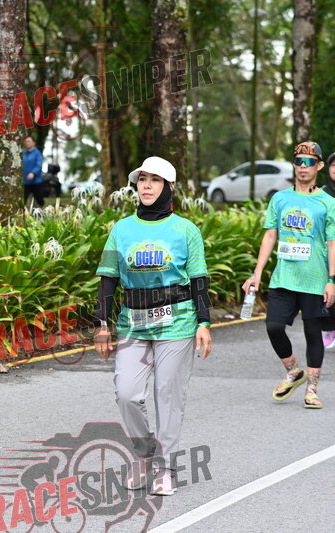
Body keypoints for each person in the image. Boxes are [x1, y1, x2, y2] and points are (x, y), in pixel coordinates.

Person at [94, 156, 212, 496]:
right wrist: (102, 324)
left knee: (167, 394)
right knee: (127, 394)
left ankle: (166, 467)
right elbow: (108, 278)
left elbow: (199, 280)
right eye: (142, 179)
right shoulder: (121, 229)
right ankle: (145, 455)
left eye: (155, 180)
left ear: (169, 187)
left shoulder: (185, 230)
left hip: (177, 321)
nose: (146, 186)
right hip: (133, 322)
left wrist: (204, 322)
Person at [243, 142, 335, 409]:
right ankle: (293, 370)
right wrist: (257, 273)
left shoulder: (328, 203)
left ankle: (312, 388)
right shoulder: (280, 199)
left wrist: (332, 281)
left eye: (309, 162)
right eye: (299, 161)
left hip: (314, 278)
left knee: (312, 332)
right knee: (273, 326)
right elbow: (270, 236)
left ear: (319, 166)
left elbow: (333, 243)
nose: (303, 166)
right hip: (284, 277)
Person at [320, 150, 335, 349]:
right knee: (323, 293)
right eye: (334, 165)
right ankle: (332, 326)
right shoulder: (321, 192)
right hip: (327, 253)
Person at [23, 135, 45, 207]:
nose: (27, 143)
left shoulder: (37, 153)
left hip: (36, 181)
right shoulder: (23, 153)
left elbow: (39, 165)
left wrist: (33, 173)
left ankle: (41, 211)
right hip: (25, 181)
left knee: (39, 200)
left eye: (29, 141)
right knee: (23, 200)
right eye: (26, 141)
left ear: (33, 143)